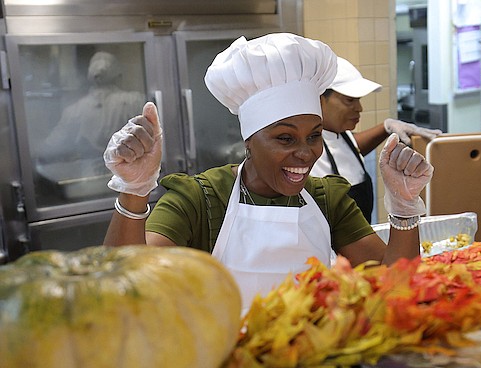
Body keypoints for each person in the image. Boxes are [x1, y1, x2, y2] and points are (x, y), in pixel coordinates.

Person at [103, 33, 434, 310]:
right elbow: (125, 286)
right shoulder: (199, 199)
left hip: (313, 366)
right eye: (285, 138)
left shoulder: (326, 198)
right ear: (250, 140)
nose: (305, 153)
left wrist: (404, 209)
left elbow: (396, 288)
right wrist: (133, 191)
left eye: (315, 135)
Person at [311, 57, 441, 222]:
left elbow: (348, 149)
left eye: (358, 100)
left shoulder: (340, 134)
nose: (359, 108)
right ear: (320, 100)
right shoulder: (308, 150)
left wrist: (386, 127)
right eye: (350, 100)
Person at [41, 51, 146, 163]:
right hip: (129, 168)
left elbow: (52, 144)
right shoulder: (135, 100)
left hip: (88, 174)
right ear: (118, 75)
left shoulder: (75, 110)